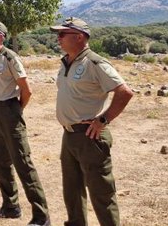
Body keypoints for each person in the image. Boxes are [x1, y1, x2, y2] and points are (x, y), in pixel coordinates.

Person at [51, 17, 133, 226]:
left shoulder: (95, 62)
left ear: (79, 37)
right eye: (58, 34)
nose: (58, 38)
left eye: (62, 34)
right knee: (72, 188)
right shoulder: (66, 61)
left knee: (101, 193)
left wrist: (102, 120)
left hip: (89, 136)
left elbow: (124, 92)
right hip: (69, 134)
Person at [0, 20, 51, 226]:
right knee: (0, 160)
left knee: (22, 163)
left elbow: (26, 90)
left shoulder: (10, 57)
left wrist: (16, 110)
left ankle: (41, 216)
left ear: (0, 36)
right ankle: (10, 207)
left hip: (10, 109)